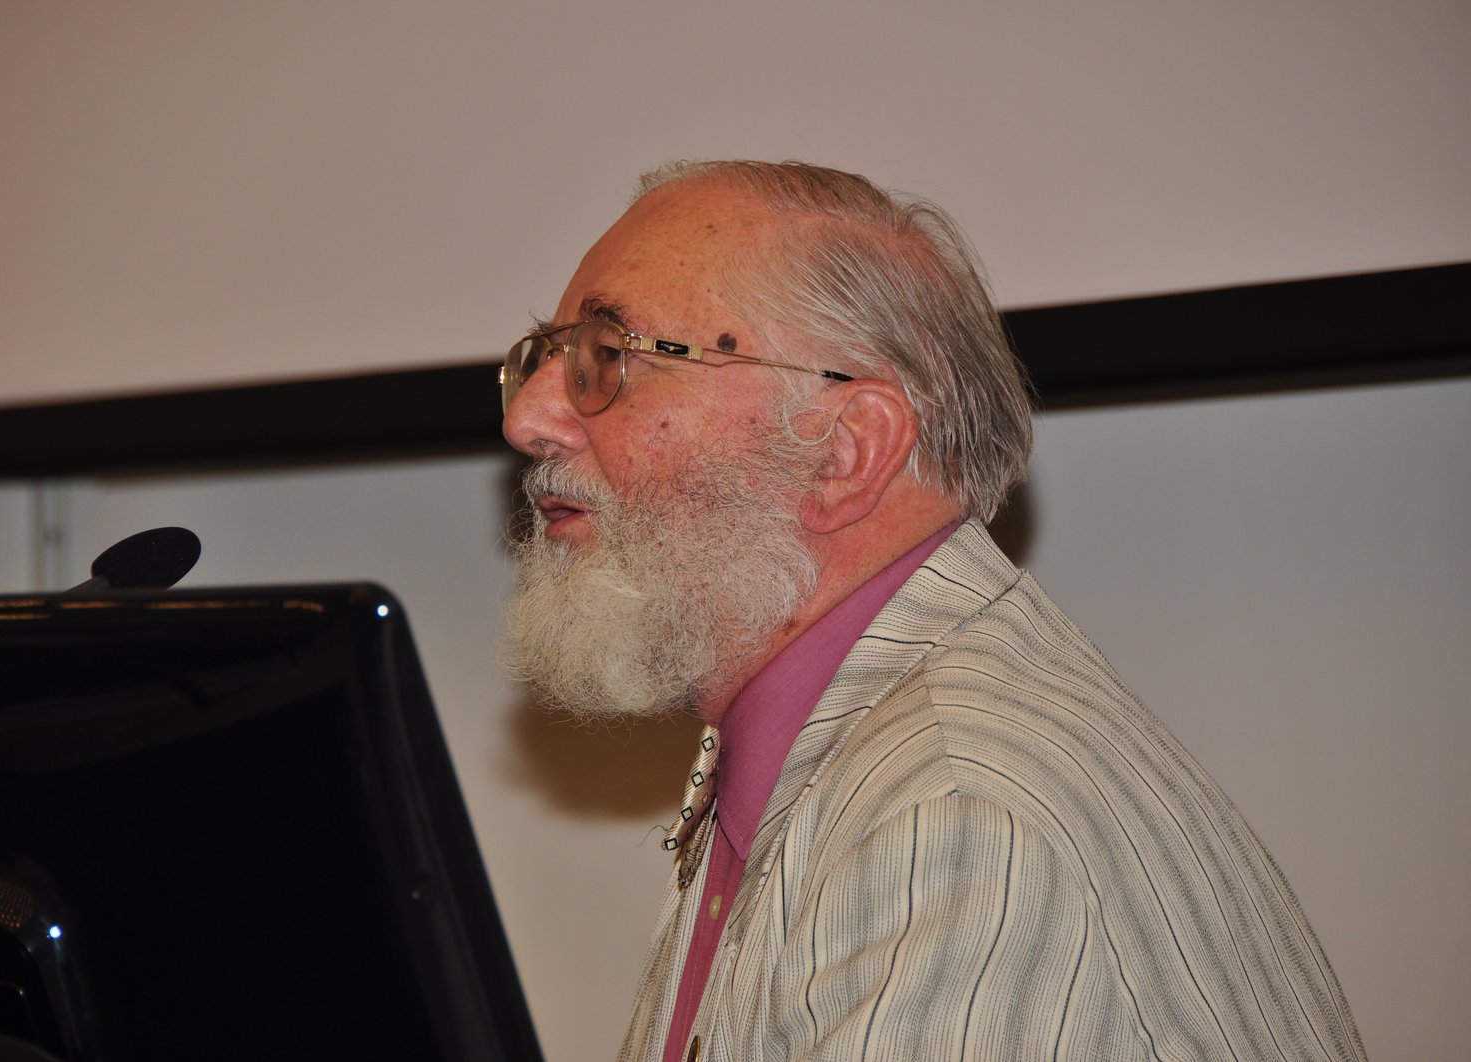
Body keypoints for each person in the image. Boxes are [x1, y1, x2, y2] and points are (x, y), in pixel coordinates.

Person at [500, 160, 1365, 1062]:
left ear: (845, 451)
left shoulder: (960, 827)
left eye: (608, 357)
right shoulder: (835, 753)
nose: (528, 418)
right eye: (541, 359)